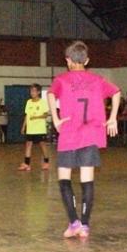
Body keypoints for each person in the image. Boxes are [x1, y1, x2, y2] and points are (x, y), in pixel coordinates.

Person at [47, 41, 120, 239]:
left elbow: (51, 95)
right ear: (87, 60)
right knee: (87, 181)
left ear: (68, 60)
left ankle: (74, 222)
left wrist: (55, 119)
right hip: (90, 135)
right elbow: (116, 92)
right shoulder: (97, 79)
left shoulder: (61, 79)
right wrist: (112, 118)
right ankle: (85, 225)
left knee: (64, 180)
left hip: (69, 133)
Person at [18, 83, 50, 171]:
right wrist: (23, 126)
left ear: (38, 92)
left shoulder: (42, 102)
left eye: (34, 91)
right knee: (28, 144)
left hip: (40, 129)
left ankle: (46, 162)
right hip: (30, 129)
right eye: (31, 91)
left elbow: (46, 115)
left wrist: (36, 117)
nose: (32, 93)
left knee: (42, 145)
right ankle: (27, 164)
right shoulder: (28, 102)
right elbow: (27, 115)